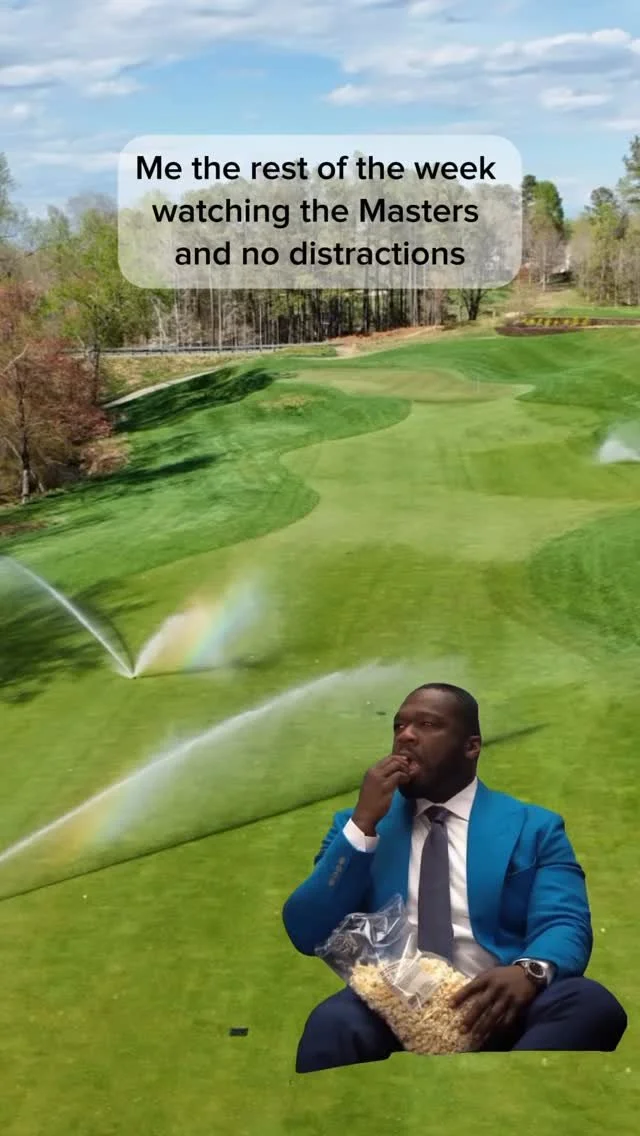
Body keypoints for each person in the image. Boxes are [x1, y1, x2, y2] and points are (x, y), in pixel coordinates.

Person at [282, 682, 627, 1073]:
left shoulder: (535, 827)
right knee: (331, 1024)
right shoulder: (359, 826)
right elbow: (307, 930)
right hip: (396, 1000)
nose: (406, 736)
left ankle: (505, 1096)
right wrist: (363, 825)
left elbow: (565, 921)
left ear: (471, 747)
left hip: (500, 999)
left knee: (590, 1004)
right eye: (399, 726)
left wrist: (528, 972)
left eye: (427, 725)